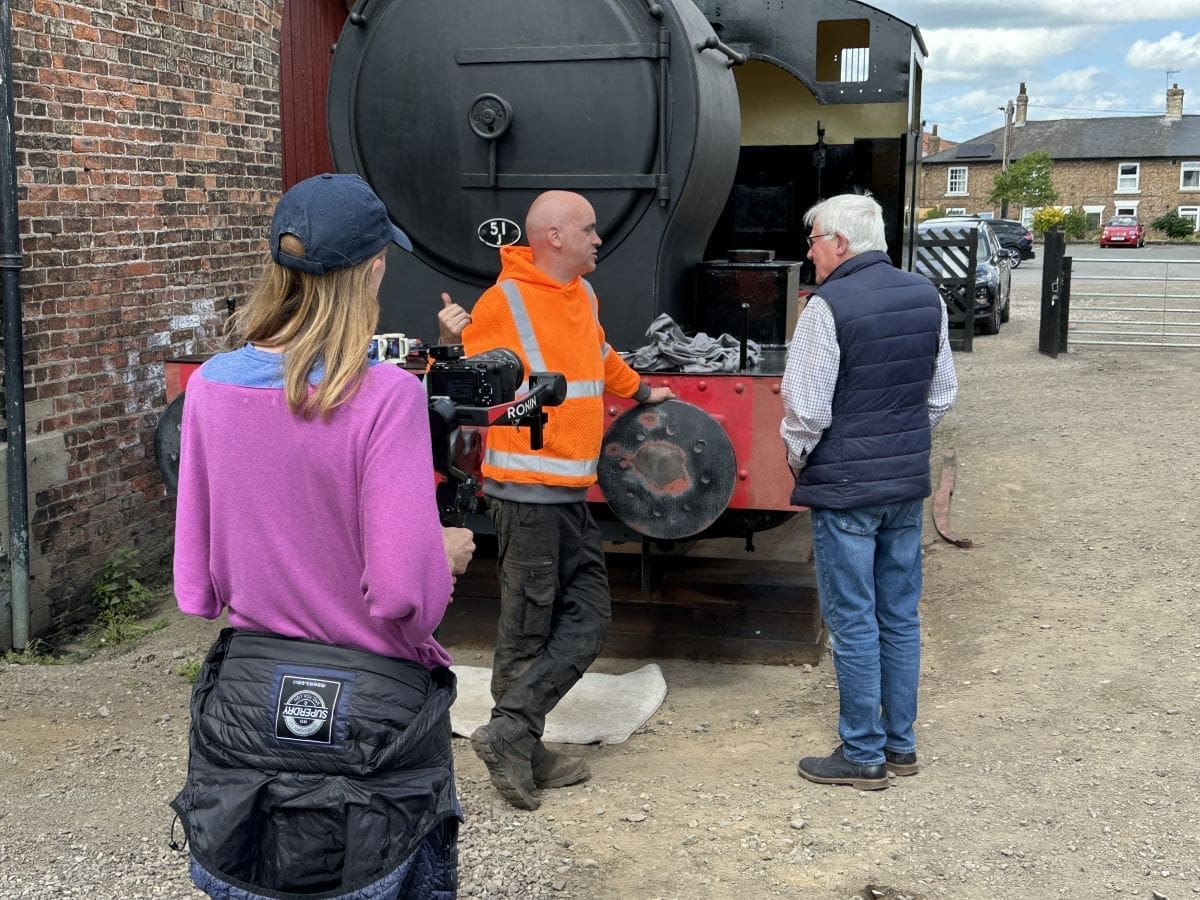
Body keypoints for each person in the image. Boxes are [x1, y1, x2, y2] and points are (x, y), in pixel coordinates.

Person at [170, 172, 475, 898]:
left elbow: (194, 584)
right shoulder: (384, 397)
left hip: (246, 701)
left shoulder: (209, 388)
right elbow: (406, 593)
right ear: (370, 271)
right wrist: (442, 548)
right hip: (371, 716)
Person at [438, 190, 674, 810]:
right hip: (525, 491)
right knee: (526, 627)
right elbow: (470, 382)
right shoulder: (503, 301)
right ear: (554, 237)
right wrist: (452, 340)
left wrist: (643, 391)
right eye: (589, 230)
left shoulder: (582, 296)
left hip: (567, 489)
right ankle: (521, 748)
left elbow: (598, 356)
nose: (600, 239)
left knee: (588, 618)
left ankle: (511, 731)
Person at [780, 193, 957, 791]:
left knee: (853, 621)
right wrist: (898, 444)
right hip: (904, 486)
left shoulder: (825, 308)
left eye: (812, 242)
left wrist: (801, 462)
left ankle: (861, 754)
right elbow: (940, 395)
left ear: (839, 242)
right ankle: (900, 745)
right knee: (899, 616)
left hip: (846, 489)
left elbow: (804, 410)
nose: (808, 254)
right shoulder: (927, 295)